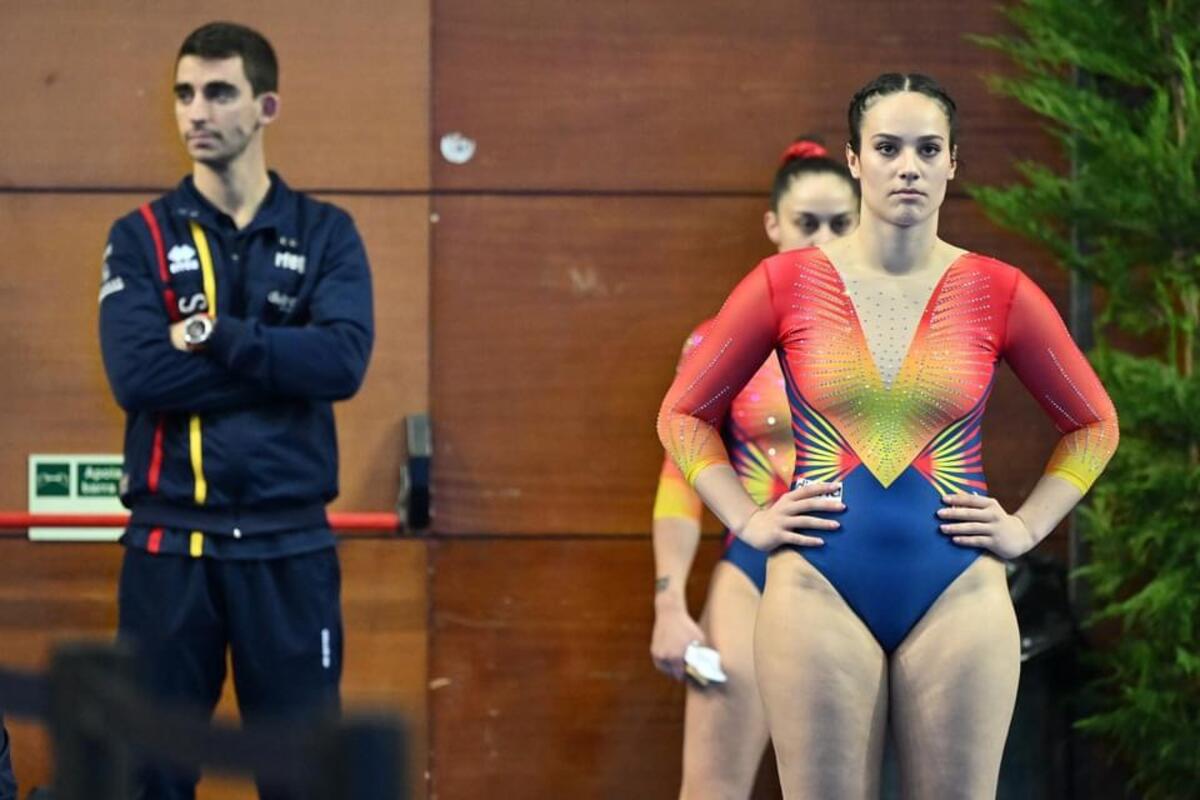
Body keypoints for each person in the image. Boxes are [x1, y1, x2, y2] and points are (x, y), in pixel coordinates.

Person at [657, 73, 1118, 799]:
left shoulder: (1001, 292)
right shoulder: (783, 284)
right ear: (854, 159)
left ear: (952, 163)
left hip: (959, 588)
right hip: (816, 586)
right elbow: (682, 415)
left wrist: (1028, 526)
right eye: (888, 147)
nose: (909, 165)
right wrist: (746, 519)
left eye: (928, 148)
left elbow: (1094, 424)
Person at [97, 21, 373, 799]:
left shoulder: (327, 233)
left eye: (219, 92)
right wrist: (284, 361)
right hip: (168, 549)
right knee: (148, 780)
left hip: (289, 550)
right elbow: (139, 376)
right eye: (184, 93)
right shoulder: (139, 236)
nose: (196, 111)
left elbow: (343, 362)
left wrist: (214, 336)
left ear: (266, 106)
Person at [650, 139, 858, 799]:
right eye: (806, 223)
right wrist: (668, 604)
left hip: (864, 579)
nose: (823, 239)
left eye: (840, 223)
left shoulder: (900, 341)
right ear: (773, 226)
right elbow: (682, 474)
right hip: (752, 573)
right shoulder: (722, 341)